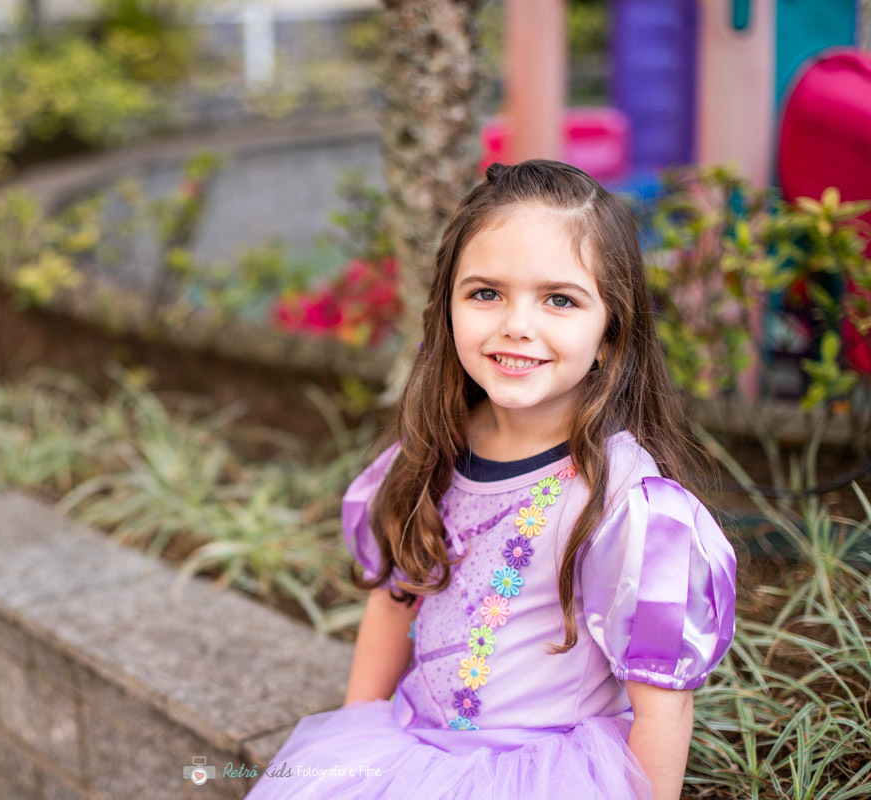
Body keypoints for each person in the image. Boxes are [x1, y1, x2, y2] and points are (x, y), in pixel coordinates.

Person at [245, 160, 737, 800]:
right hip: (408, 752)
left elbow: (662, 705)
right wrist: (347, 746)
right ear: (447, 309)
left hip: (538, 773)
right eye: (486, 293)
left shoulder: (624, 504)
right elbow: (394, 601)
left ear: (611, 334)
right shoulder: (427, 453)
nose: (517, 325)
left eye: (559, 299)